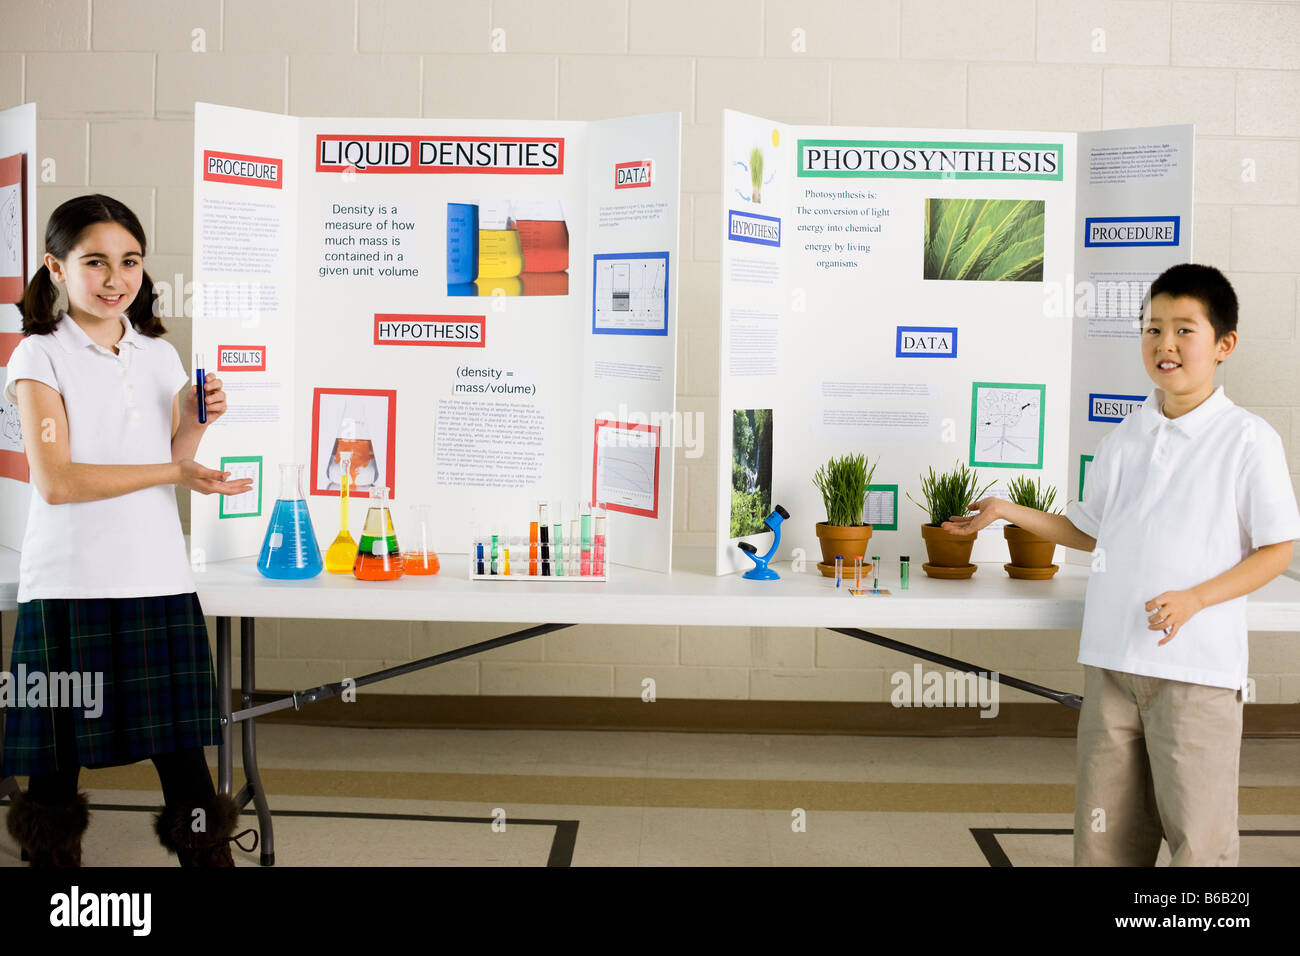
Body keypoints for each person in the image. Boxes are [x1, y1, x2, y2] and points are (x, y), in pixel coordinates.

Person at [944, 263, 1300, 866]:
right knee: (1104, 837)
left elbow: (1277, 551)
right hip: (1112, 663)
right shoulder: (1126, 436)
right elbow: (1088, 530)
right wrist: (1008, 510)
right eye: (1152, 328)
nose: (1165, 344)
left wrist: (1194, 599)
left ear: (1224, 345)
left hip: (1195, 671)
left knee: (1200, 840)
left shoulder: (1248, 440)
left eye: (1185, 330)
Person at [2, 194, 255, 866]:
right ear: (56, 269)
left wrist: (200, 420)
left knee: (187, 774)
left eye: (130, 261)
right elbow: (58, 482)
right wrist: (171, 472)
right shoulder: (37, 357)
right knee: (54, 777)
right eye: (96, 262)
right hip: (68, 586)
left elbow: (174, 455)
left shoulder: (158, 356)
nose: (116, 279)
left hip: (157, 579)